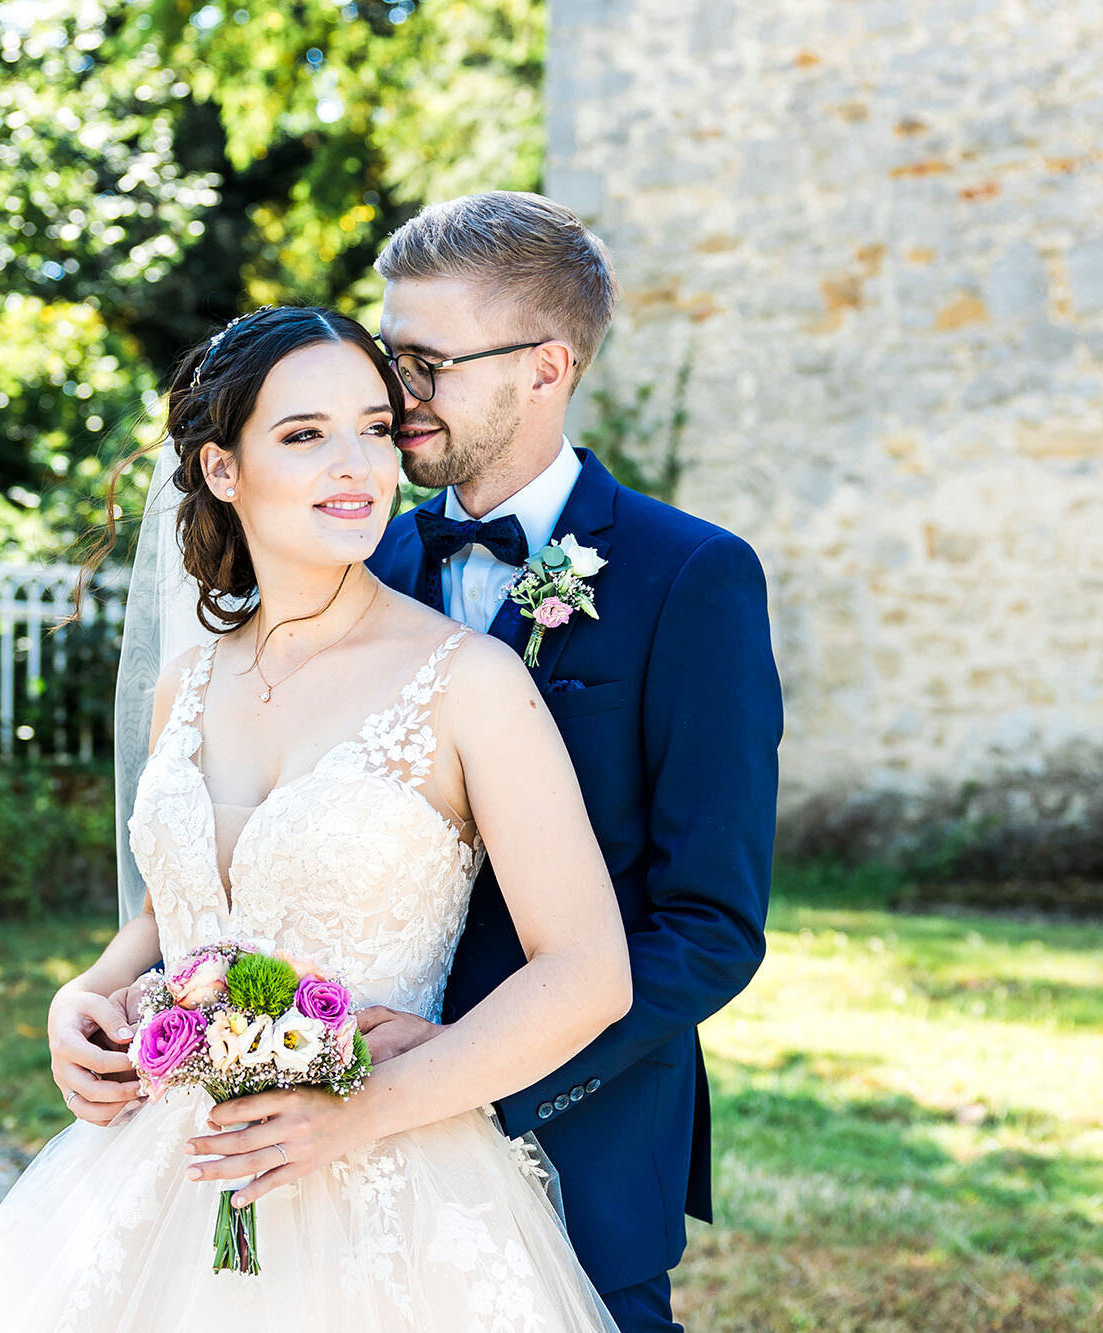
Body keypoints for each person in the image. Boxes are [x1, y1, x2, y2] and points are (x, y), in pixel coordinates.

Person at [0, 305, 632, 1331]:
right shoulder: (184, 685)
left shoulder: (467, 683)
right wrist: (85, 995)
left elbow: (586, 971)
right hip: (157, 1168)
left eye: (374, 428)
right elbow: (180, 911)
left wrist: (358, 1113)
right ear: (222, 469)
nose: (356, 464)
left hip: (383, 1186)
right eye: (303, 434)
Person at [248, 191, 785, 1332]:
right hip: (328, 1144)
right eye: (391, 356)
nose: (395, 399)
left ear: (544, 367)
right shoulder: (358, 552)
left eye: (426, 362)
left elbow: (709, 925)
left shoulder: (690, 578)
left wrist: (476, 1073)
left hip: (576, 1141)